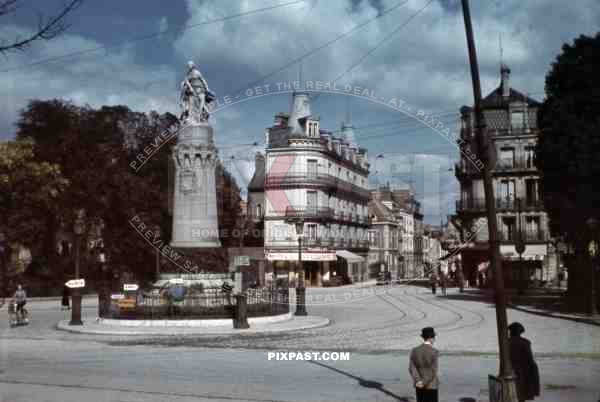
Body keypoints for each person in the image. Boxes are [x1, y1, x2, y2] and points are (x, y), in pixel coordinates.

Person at [508, 322, 540, 402]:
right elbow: (530, 359)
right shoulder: (525, 342)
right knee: (521, 395)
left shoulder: (506, 342)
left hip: (509, 369)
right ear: (520, 332)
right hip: (521, 372)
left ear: (511, 331)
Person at [409, 327, 439, 402]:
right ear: (431, 338)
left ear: (423, 337)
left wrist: (418, 381)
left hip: (418, 385)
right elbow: (433, 371)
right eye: (434, 337)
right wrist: (424, 382)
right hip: (431, 385)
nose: (434, 339)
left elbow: (412, 368)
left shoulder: (415, 350)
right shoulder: (434, 351)